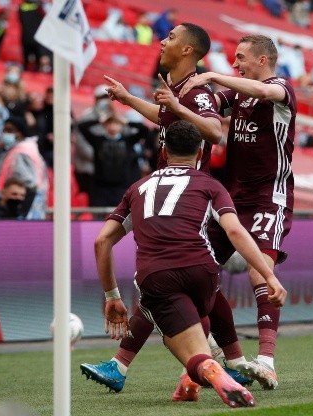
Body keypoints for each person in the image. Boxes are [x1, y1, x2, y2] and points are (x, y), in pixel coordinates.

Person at [81, 23, 251, 393]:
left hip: (188, 197)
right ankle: (229, 363)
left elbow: (213, 132)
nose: (162, 41)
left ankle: (125, 366)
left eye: (171, 37)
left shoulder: (196, 92)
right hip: (165, 189)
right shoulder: (176, 90)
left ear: (189, 50)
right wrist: (128, 99)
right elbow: (163, 118)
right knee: (178, 284)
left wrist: (175, 106)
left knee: (159, 281)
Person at [91, 120, 286, 408]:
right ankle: (196, 378)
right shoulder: (210, 185)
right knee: (199, 312)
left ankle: (209, 369)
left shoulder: (138, 188)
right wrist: (269, 275)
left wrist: (112, 296)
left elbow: (102, 242)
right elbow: (234, 231)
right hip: (203, 271)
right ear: (200, 153)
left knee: (180, 341)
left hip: (156, 276)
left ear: (165, 152)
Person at [178, 34, 297, 390]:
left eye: (241, 58)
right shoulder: (237, 92)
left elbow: (263, 93)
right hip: (231, 196)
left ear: (262, 61)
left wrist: (212, 75)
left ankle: (267, 361)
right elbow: (209, 104)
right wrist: (180, 100)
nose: (235, 64)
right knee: (197, 271)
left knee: (260, 272)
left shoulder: (281, 88)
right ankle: (213, 352)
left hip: (268, 197)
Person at [0, 116, 48, 219]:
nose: (5, 133)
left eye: (10, 130)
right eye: (4, 130)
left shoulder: (21, 153)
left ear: (20, 133)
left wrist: (21, 213)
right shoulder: (28, 149)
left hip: (22, 213)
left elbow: (28, 184)